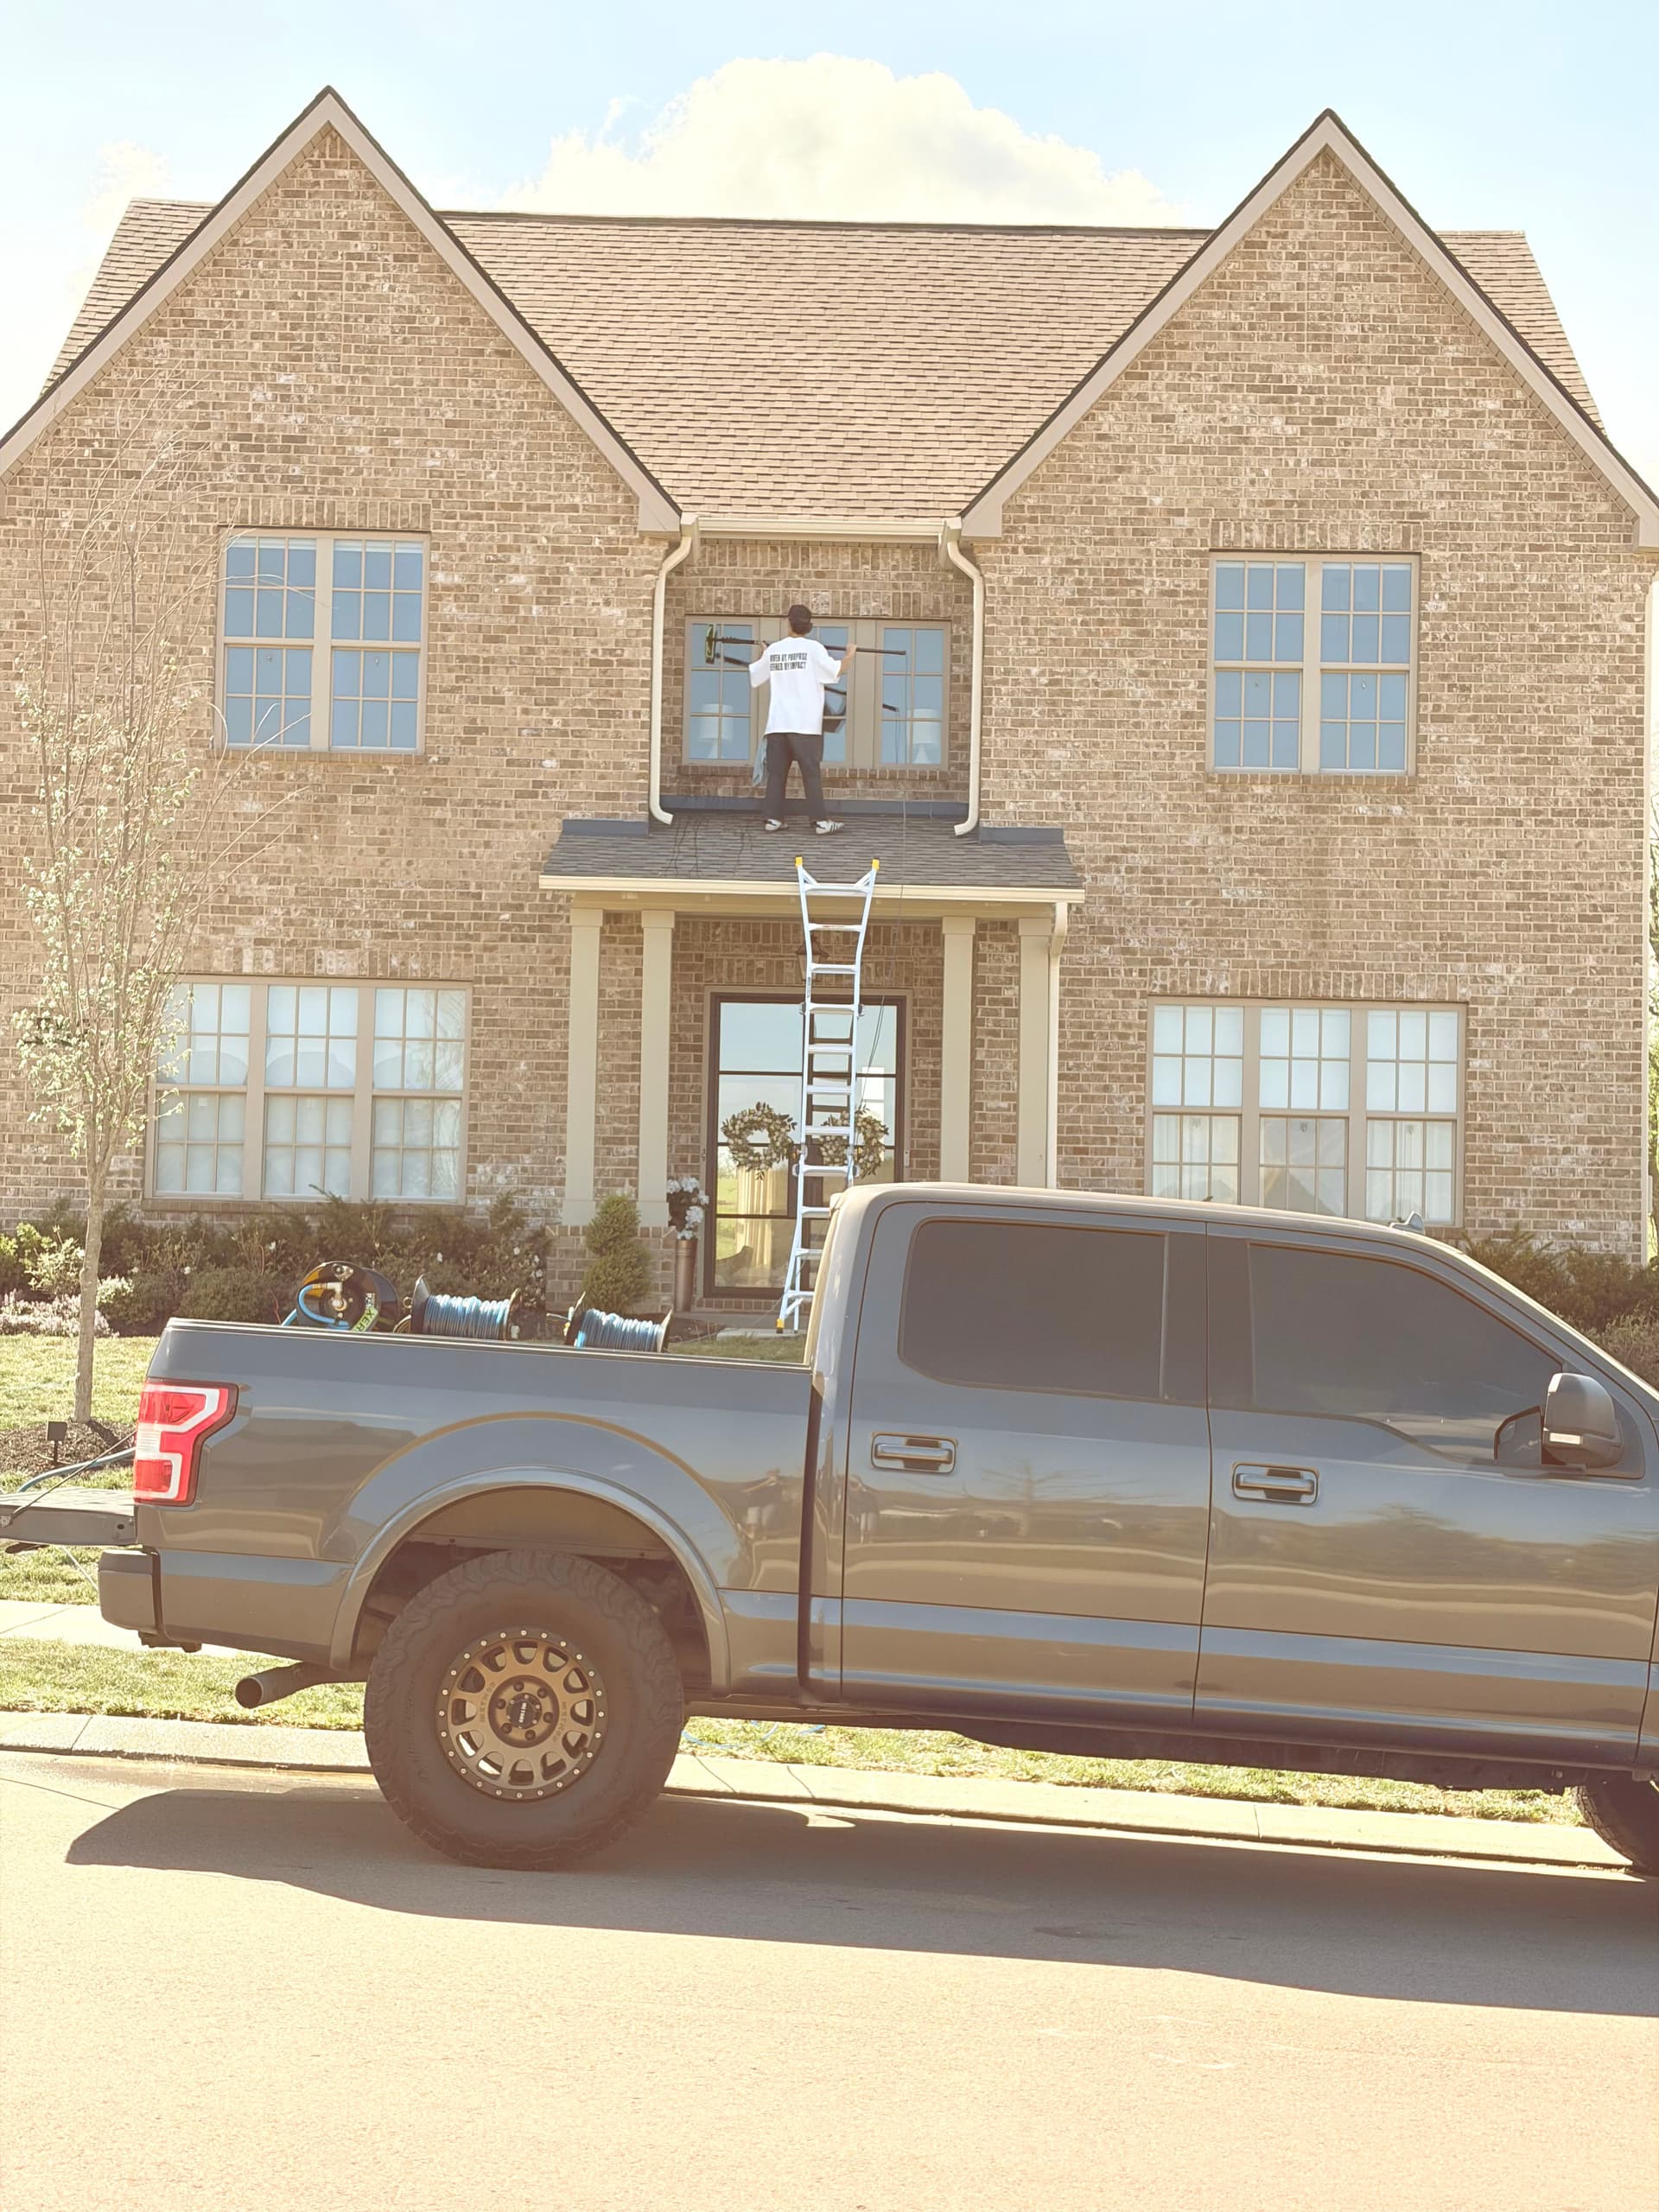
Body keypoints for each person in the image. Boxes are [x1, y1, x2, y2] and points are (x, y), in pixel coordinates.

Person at [748, 605, 855, 835]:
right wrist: (849, 654)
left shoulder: (775, 650)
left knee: (777, 773)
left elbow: (757, 675)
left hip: (777, 724)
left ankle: (773, 819)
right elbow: (836, 672)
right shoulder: (814, 648)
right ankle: (820, 822)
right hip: (805, 725)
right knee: (811, 773)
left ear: (788, 623)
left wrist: (765, 652)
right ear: (809, 626)